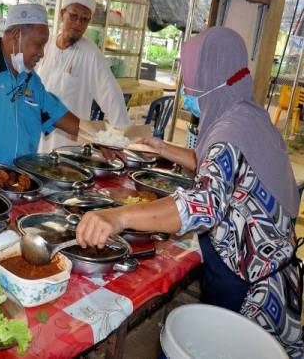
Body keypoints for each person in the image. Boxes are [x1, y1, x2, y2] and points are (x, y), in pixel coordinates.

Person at [76, 27, 303, 357]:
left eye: (192, 77)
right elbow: (225, 169)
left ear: (213, 76)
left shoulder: (229, 132)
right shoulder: (247, 115)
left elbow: (204, 205)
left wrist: (119, 216)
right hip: (272, 271)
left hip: (250, 288)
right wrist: (164, 148)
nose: (187, 87)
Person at [0, 3, 102, 173]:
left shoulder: (32, 81)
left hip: (18, 185)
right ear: (17, 35)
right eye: (39, 44)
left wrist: (103, 139)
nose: (42, 53)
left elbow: (62, 117)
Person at [35, 0, 129, 153]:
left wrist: (115, 142)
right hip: (35, 142)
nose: (78, 23)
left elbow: (114, 100)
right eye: (73, 16)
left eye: (85, 19)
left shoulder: (91, 55)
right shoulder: (46, 45)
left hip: (66, 150)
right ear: (62, 14)